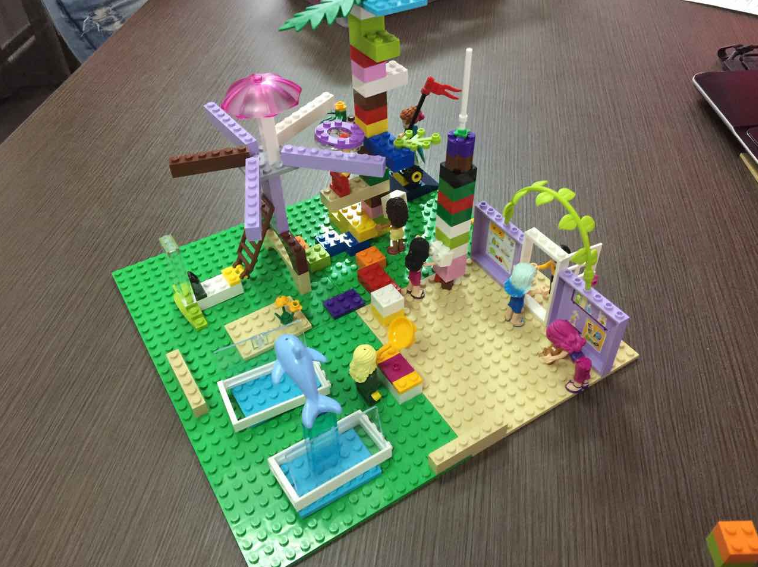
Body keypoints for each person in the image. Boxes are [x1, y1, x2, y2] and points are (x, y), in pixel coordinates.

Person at [541, 319, 593, 394]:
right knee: (584, 370)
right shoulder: (573, 340)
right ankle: (585, 382)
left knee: (580, 373)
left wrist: (552, 358)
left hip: (580, 363)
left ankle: (577, 386)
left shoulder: (569, 347)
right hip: (583, 361)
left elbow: (563, 354)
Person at [503, 262, 537, 327]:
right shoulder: (522, 288)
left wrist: (530, 268)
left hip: (513, 296)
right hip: (519, 300)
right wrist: (538, 291)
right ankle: (514, 321)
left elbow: (523, 274)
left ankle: (507, 316)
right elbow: (529, 293)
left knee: (511, 304)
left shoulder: (515, 281)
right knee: (517, 309)